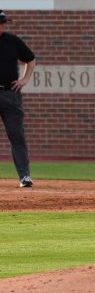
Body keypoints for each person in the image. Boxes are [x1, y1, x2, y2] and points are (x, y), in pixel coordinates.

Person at [0, 10, 35, 188]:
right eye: (1, 22)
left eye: (4, 22)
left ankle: (24, 176)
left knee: (17, 136)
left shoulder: (12, 41)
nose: (4, 25)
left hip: (10, 94)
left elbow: (30, 59)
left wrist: (25, 79)